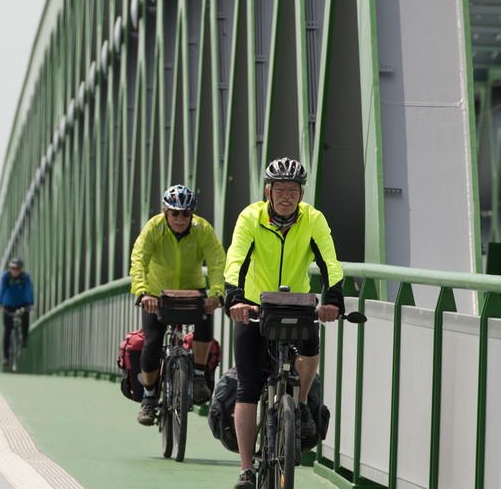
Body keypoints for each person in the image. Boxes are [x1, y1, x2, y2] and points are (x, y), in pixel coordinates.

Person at [223, 157, 344, 489]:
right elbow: (235, 260)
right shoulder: (250, 217)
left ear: (301, 193)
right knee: (248, 387)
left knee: (310, 347)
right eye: (280, 189)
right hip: (254, 307)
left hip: (297, 303)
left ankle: (301, 404)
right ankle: (247, 468)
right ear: (268, 191)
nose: (286, 195)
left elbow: (330, 262)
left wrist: (333, 298)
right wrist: (234, 298)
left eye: (293, 189)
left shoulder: (313, 220)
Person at [129, 184, 226, 426]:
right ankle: (149, 397)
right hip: (157, 293)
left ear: (192, 214)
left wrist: (215, 294)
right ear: (165, 212)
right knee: (151, 342)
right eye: (175, 213)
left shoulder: (202, 229)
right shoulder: (154, 228)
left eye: (186, 214)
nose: (180, 219)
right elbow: (139, 259)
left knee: (205, 321)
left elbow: (216, 262)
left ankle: (200, 376)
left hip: (192, 291)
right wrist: (142, 293)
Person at [0, 258, 34, 368]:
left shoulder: (25, 277)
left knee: (25, 317)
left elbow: (29, 290)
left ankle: (24, 338)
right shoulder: (6, 276)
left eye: (17, 269)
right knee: (7, 331)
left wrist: (30, 303)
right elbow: (1, 289)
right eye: (12, 268)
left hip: (21, 304)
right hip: (8, 305)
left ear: (20, 269)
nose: (14, 271)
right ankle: (5, 357)